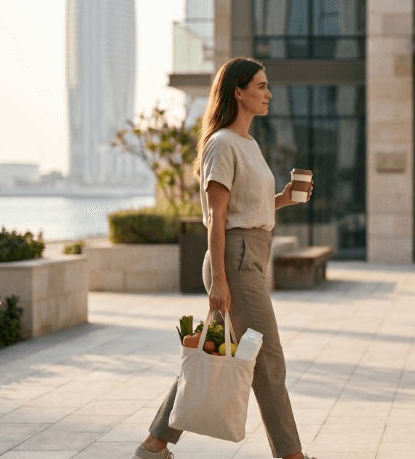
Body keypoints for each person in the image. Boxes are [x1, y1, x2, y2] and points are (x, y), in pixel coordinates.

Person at [132, 57, 317, 459]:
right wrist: (219, 281)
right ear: (238, 91)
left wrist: (283, 198)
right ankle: (292, 456)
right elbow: (218, 217)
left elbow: (245, 208)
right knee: (268, 361)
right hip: (232, 260)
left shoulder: (249, 143)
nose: (269, 93)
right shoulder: (221, 143)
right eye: (261, 86)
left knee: (207, 354)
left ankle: (153, 445)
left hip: (248, 255)